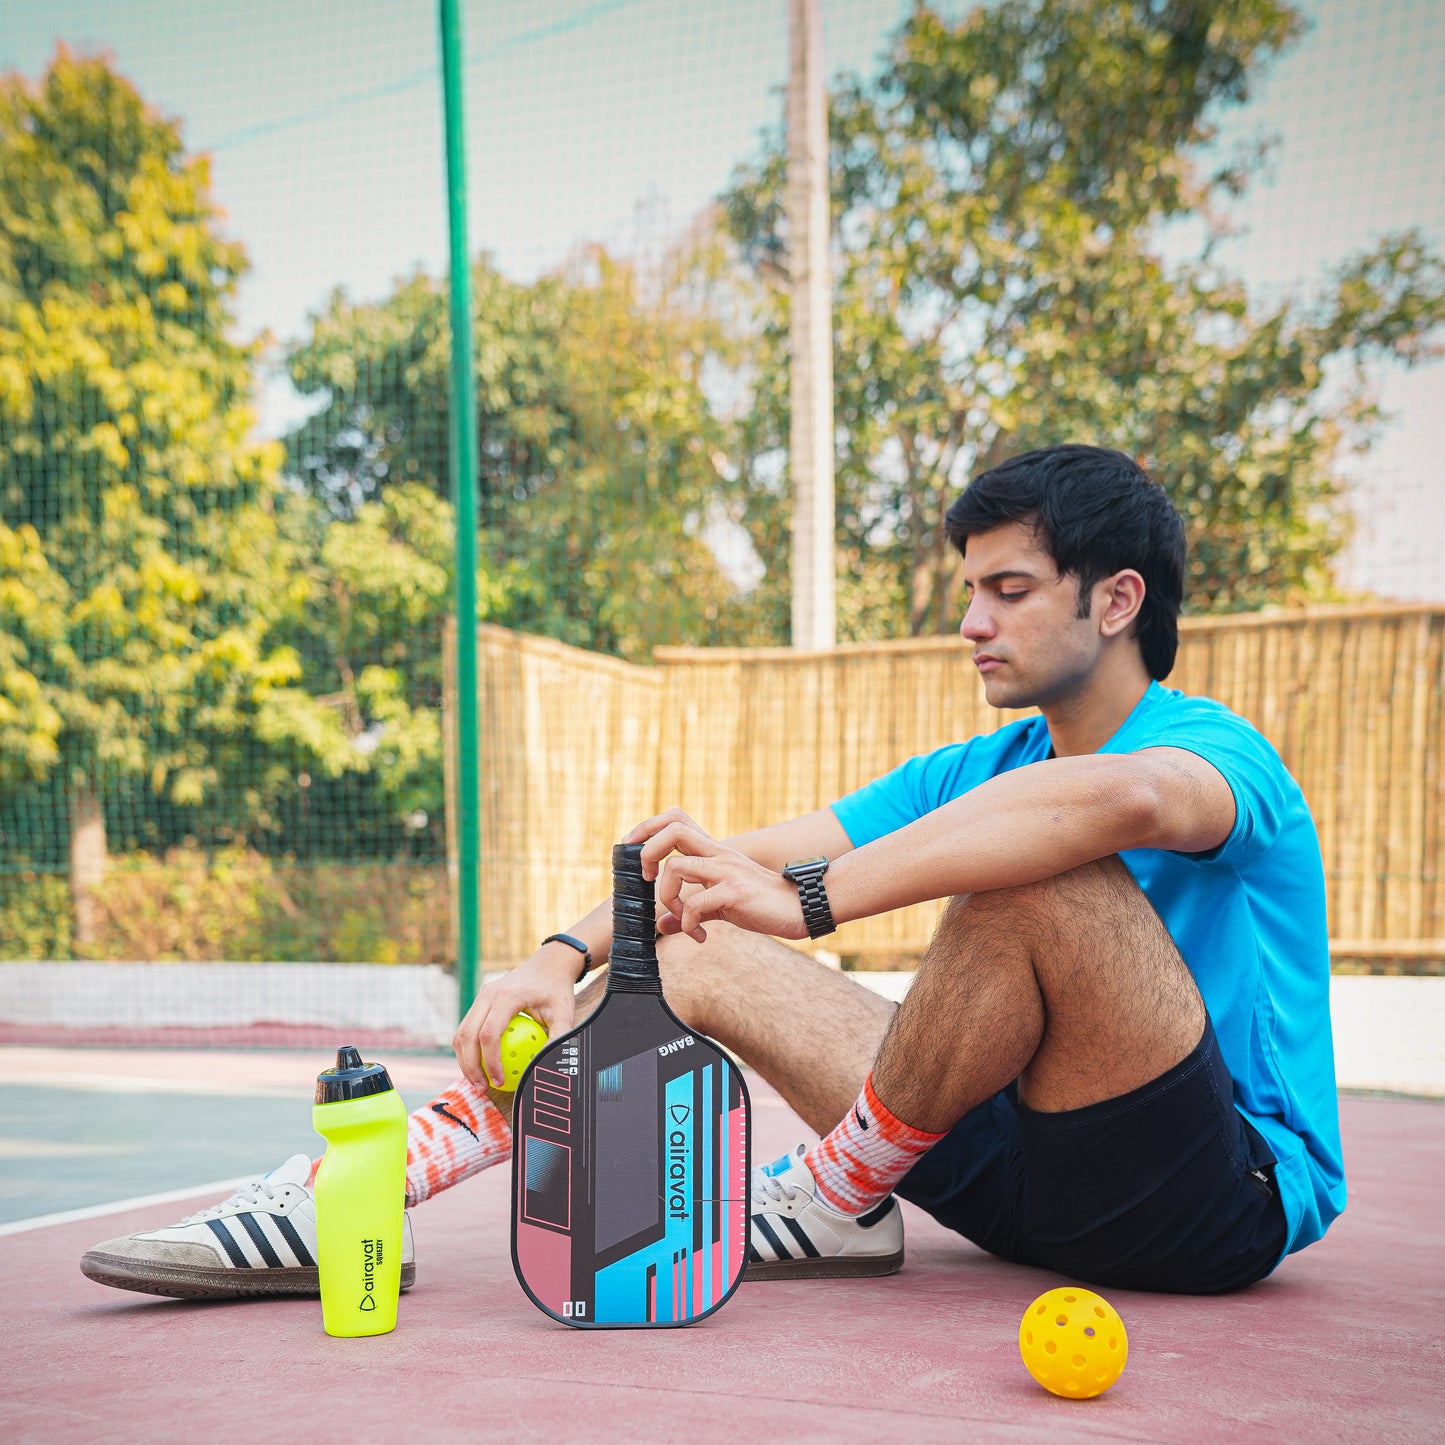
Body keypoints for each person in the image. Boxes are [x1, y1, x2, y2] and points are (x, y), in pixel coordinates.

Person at [81, 444, 1344, 1301]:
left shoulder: (1212, 754)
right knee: (681, 932)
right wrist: (558, 953)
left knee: (1042, 871)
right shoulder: (980, 759)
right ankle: (367, 1190)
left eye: (1007, 590)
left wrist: (811, 904)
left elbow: (1110, 802)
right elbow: (722, 856)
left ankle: (840, 1181)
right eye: (968, 588)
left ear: (1117, 598)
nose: (970, 621)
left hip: (1204, 1198)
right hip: (1005, 1171)